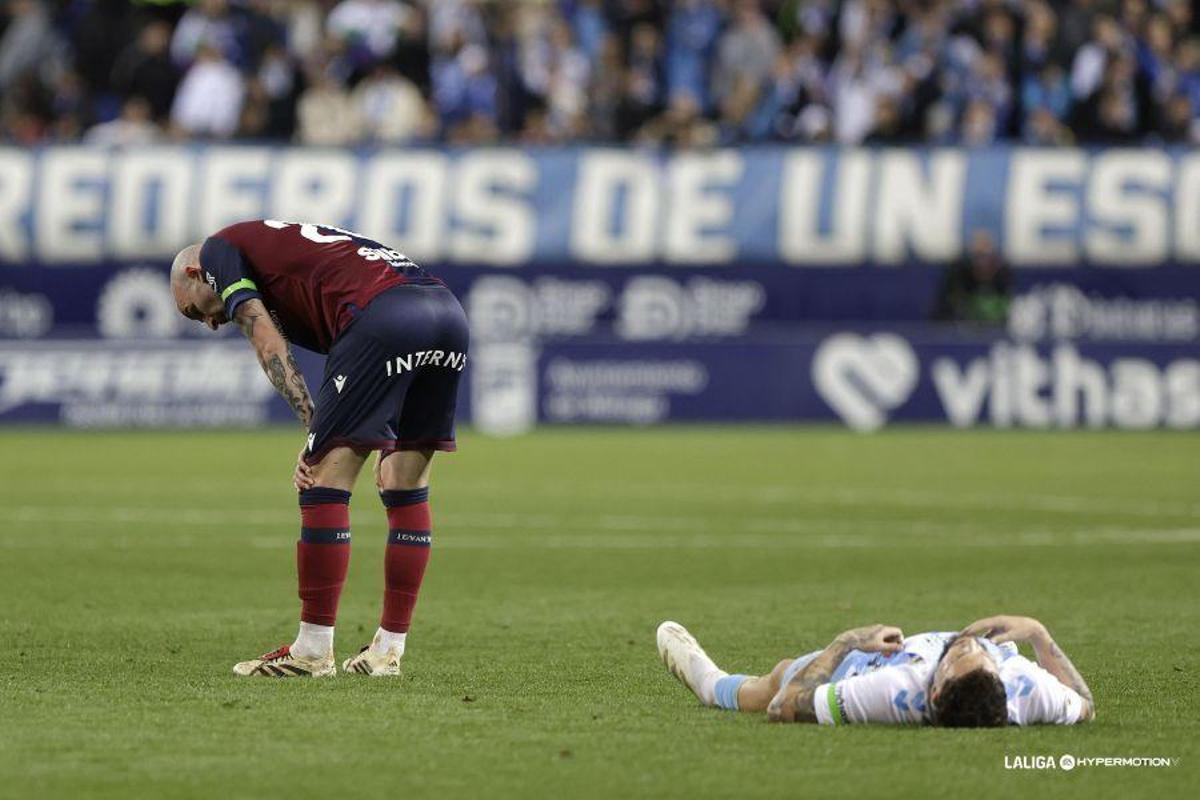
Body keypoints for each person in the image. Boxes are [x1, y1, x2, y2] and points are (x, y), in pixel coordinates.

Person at [170, 220, 469, 678]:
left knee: (321, 479)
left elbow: (265, 338)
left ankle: (311, 652)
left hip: (385, 313)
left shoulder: (216, 252)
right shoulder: (280, 247)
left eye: (195, 312)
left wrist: (316, 430)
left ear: (195, 273)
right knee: (403, 482)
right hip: (446, 313)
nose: (210, 324)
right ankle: (387, 652)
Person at [657, 614, 1094, 726]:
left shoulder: (893, 691)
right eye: (981, 654)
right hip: (914, 652)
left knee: (780, 678)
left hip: (870, 661)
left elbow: (783, 708)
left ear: (934, 693)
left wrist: (847, 640)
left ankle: (711, 684)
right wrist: (1039, 635)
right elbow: (1086, 705)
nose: (967, 643)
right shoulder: (1027, 692)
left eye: (957, 657)